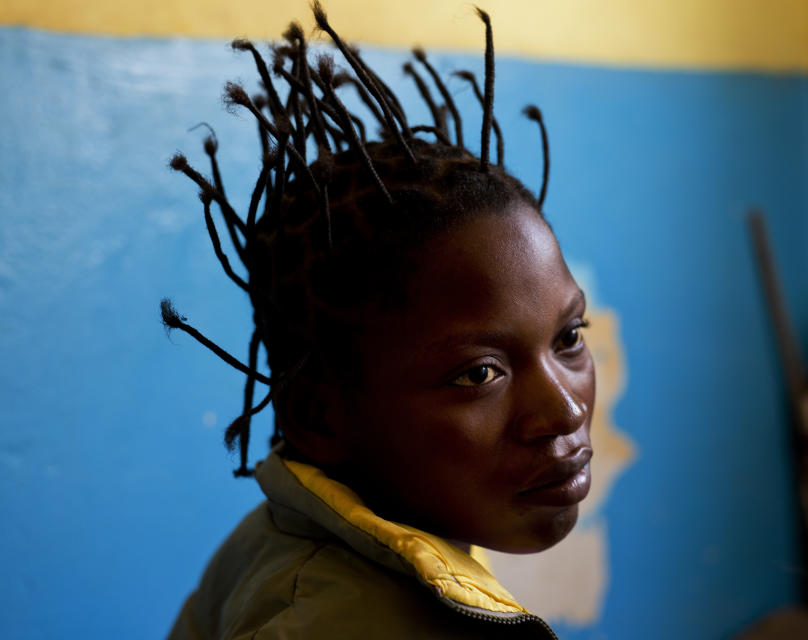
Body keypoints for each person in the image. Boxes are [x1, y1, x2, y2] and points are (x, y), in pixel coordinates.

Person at [164, 3, 595, 638]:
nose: (564, 413)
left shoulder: (294, 534)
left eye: (569, 339)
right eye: (479, 373)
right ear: (318, 415)